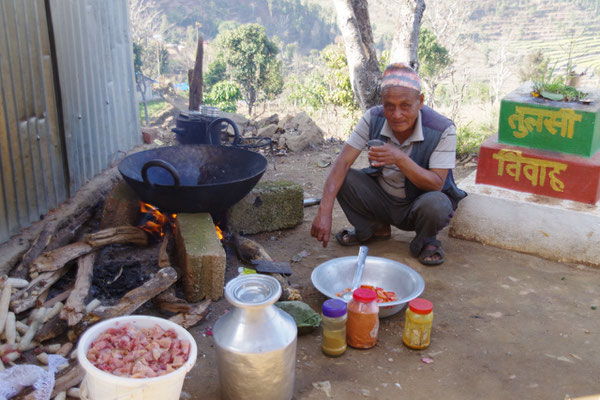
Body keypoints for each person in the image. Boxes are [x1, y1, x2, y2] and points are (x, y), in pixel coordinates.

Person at [310, 63, 466, 266]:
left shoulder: (442, 129)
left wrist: (399, 158)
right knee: (344, 177)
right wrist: (324, 211)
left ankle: (426, 241)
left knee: (438, 203)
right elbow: (342, 163)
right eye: (389, 105)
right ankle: (376, 229)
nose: (396, 114)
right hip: (383, 198)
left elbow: (436, 183)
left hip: (418, 204)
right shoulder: (372, 118)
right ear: (382, 102)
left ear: (420, 101)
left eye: (405, 105)